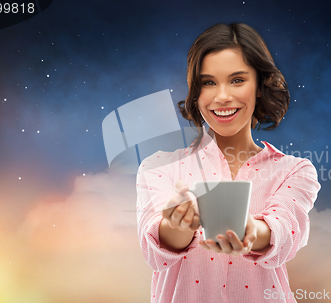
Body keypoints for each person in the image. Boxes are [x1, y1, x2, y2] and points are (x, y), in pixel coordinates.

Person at [136, 23, 321, 303]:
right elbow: (154, 252)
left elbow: (284, 232)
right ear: (195, 92)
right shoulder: (158, 167)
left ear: (260, 85)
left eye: (237, 80)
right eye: (209, 82)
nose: (222, 96)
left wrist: (251, 232)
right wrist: (179, 224)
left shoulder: (294, 171)